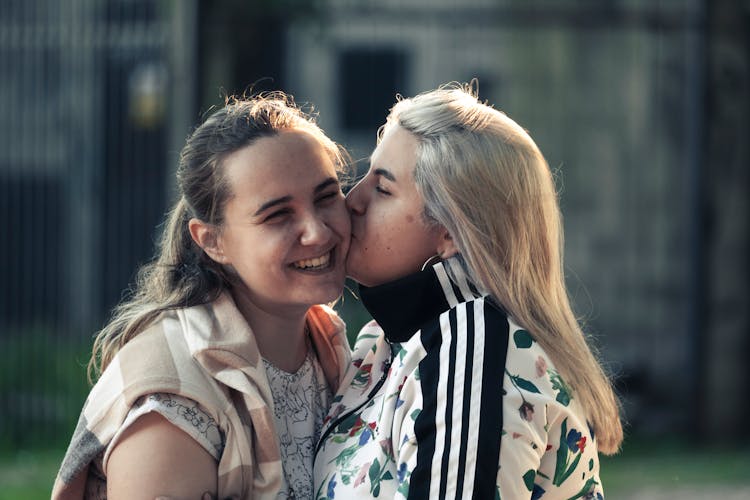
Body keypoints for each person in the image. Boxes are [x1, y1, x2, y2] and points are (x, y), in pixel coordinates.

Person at [313, 83, 623, 499]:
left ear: (448, 232)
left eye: (383, 188)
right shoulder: (382, 343)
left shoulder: (470, 348)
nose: (352, 200)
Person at [52, 93, 352, 500]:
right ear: (213, 242)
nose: (317, 231)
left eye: (326, 196)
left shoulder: (329, 348)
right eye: (278, 215)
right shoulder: (172, 401)